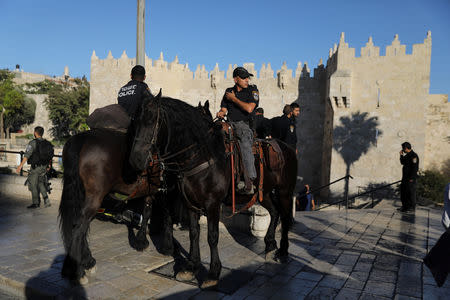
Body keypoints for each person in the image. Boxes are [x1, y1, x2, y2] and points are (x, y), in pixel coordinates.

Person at [216, 67, 259, 194]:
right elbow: (224, 108)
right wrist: (221, 112)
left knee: (244, 141)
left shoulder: (252, 90)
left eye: (248, 77)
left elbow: (250, 109)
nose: (247, 80)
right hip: (229, 123)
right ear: (236, 79)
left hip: (244, 125)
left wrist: (234, 99)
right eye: (244, 77)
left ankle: (249, 180)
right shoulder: (228, 91)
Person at [16, 126, 51, 209]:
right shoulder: (47, 143)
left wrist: (20, 166)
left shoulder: (33, 143)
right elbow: (49, 155)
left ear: (35, 133)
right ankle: (46, 200)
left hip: (36, 168)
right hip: (44, 166)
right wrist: (48, 165)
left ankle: (35, 203)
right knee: (40, 183)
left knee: (33, 184)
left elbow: (26, 155)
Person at [398, 142, 419, 212]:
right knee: (404, 192)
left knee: (411, 193)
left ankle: (411, 208)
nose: (403, 150)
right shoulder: (407, 155)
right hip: (405, 178)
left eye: (403, 149)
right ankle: (405, 206)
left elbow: (415, 168)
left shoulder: (414, 156)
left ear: (406, 148)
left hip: (410, 179)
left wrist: (412, 178)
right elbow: (402, 162)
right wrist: (401, 155)